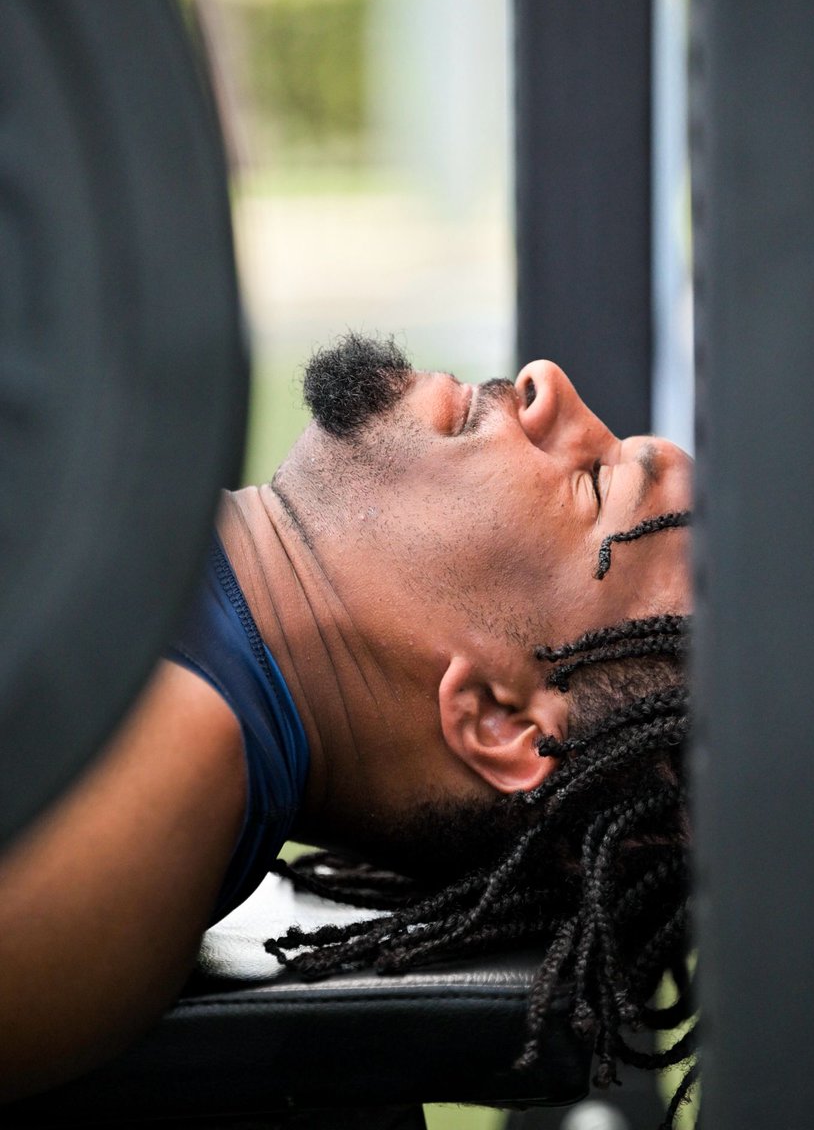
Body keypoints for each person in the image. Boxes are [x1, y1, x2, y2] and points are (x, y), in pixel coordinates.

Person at [0, 336, 694, 1116]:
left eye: (594, 485)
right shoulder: (124, 530)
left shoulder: (168, 755)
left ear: (497, 720)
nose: (547, 385)